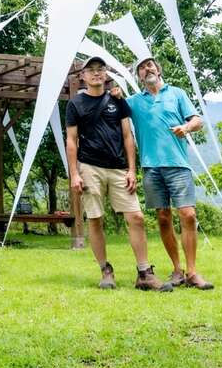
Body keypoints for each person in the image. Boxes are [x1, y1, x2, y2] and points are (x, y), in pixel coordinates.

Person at [66, 56, 171, 291]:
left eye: (100, 69)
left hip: (118, 168)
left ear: (106, 74)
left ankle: (144, 273)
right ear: (82, 76)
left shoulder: (117, 100)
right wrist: (74, 173)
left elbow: (127, 136)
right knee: (95, 218)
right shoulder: (75, 104)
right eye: (90, 70)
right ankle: (105, 270)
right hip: (89, 166)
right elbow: (71, 140)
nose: (96, 73)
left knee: (136, 217)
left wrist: (132, 170)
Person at [112, 57, 214, 290]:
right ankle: (177, 270)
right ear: (139, 76)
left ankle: (192, 272)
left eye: (150, 65)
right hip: (151, 167)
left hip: (178, 165)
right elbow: (116, 108)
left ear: (158, 70)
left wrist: (186, 127)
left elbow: (198, 120)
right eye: (141, 67)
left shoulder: (176, 93)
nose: (147, 68)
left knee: (187, 214)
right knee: (163, 216)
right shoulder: (134, 102)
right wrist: (116, 94)